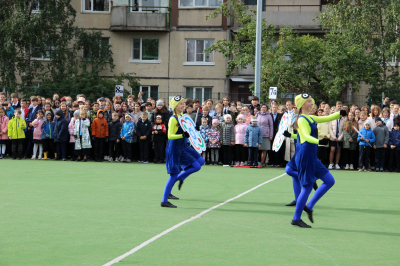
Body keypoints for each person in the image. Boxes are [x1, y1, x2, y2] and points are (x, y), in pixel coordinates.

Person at [291, 93, 346, 228]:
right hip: (305, 156)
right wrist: (319, 141)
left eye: (311, 101)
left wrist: (340, 113)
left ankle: (309, 206)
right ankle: (296, 218)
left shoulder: (310, 117)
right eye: (309, 102)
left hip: (312, 156)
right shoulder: (302, 119)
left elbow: (327, 117)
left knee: (329, 181)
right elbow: (304, 135)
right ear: (302, 105)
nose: (312, 104)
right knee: (307, 188)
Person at [161, 95, 205, 208]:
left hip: (183, 146)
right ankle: (164, 201)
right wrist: (182, 135)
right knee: (173, 175)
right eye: (180, 104)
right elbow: (170, 136)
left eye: (183, 103)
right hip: (174, 149)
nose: (183, 105)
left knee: (199, 163)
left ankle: (181, 178)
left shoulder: (183, 117)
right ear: (175, 106)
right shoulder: (173, 119)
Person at [328, 101, 345, 170]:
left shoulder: (343, 120)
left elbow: (344, 130)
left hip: (339, 138)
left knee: (338, 150)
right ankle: (330, 163)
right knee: (332, 150)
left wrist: (340, 137)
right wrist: (334, 137)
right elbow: (330, 129)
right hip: (333, 138)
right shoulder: (332, 119)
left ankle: (336, 164)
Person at [269, 103, 284, 167]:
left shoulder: (280, 115)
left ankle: (277, 162)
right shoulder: (269, 115)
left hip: (278, 134)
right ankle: (271, 161)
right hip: (270, 134)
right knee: (270, 148)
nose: (274, 108)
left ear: (277, 108)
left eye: (275, 107)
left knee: (277, 147)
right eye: (273, 107)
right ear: (271, 108)